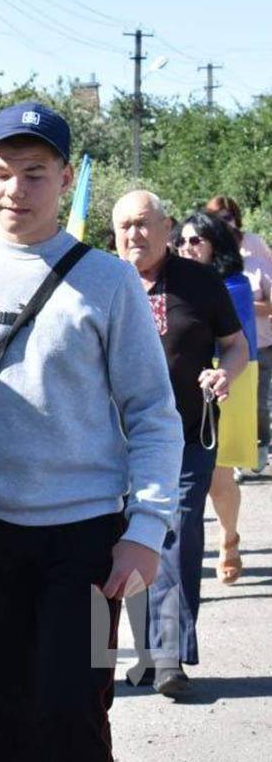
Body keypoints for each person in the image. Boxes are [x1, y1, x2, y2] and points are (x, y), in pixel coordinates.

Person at [0, 103, 183, 761]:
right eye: (0, 173)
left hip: (94, 546)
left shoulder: (109, 283)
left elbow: (154, 416)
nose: (14, 191)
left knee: (78, 720)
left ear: (65, 176)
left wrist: (146, 531)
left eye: (34, 174)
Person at [113, 192, 246, 699]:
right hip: (112, 442)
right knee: (118, 540)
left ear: (167, 227)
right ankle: (135, 654)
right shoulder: (103, 282)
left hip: (186, 436)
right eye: (125, 226)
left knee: (175, 532)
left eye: (145, 224)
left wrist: (223, 374)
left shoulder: (200, 281)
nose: (135, 235)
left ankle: (167, 654)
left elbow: (235, 344)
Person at [172, 212, 259, 585]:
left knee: (218, 478)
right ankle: (182, 559)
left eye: (196, 241)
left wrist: (222, 372)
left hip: (232, 377)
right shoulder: (170, 282)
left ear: (214, 246)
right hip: (188, 380)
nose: (187, 248)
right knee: (192, 477)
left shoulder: (233, 286)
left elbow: (236, 345)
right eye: (182, 241)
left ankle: (229, 536)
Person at [205, 196, 272, 473]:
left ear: (237, 218)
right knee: (225, 401)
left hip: (261, 342)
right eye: (218, 217)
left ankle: (259, 448)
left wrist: (238, 303)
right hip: (219, 348)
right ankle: (230, 461)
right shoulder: (204, 253)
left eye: (228, 216)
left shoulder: (255, 248)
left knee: (258, 404)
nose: (225, 222)